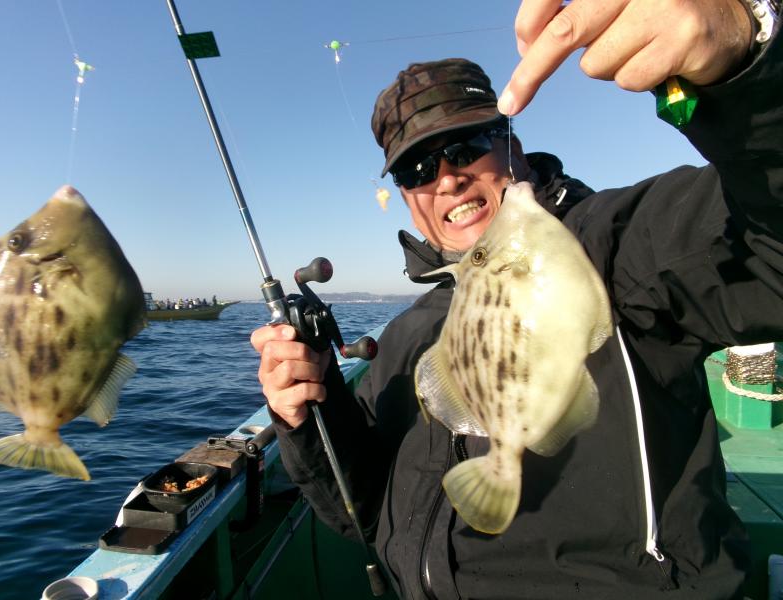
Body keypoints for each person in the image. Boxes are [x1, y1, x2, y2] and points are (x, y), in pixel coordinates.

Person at [251, 1, 782, 598]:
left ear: (511, 144)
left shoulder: (616, 241)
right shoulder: (408, 336)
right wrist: (309, 413)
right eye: (417, 168)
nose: (446, 176)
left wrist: (750, 63)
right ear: (406, 197)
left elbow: (771, 254)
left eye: (467, 143)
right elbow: (364, 514)